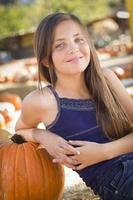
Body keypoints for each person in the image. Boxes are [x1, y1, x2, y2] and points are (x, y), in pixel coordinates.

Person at [13, 12, 133, 200]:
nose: (73, 49)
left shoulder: (107, 79)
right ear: (45, 59)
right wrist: (42, 135)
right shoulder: (42, 100)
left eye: (79, 39)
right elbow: (19, 130)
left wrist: (104, 151)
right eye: (60, 45)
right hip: (119, 180)